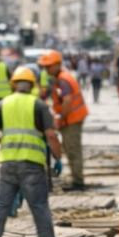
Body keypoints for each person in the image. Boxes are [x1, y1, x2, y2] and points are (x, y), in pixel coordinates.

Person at [0, 66, 63, 237]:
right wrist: (58, 157)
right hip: (32, 164)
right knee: (39, 206)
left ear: (13, 84)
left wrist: (2, 142)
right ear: (32, 85)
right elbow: (51, 135)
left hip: (7, 163)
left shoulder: (3, 104)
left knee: (0, 205)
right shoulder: (39, 105)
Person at [41, 50, 87, 190]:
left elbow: (67, 101)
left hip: (72, 119)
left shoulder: (63, 79)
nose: (46, 69)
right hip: (72, 118)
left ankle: (78, 182)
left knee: (73, 150)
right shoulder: (61, 78)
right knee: (70, 148)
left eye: (48, 66)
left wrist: (60, 118)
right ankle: (76, 178)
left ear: (57, 65)